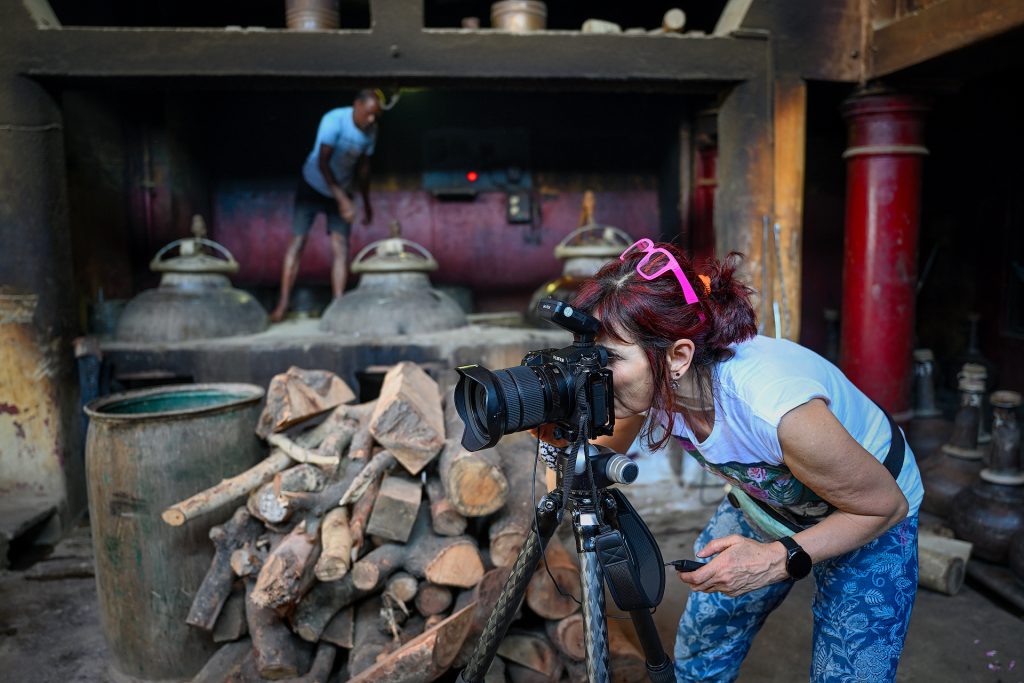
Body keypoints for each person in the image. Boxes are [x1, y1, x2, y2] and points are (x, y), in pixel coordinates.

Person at [545, 239, 923, 683]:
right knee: (705, 632)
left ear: (678, 356)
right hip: (768, 502)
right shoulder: (654, 381)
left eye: (606, 359)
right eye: (588, 357)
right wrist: (556, 418)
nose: (594, 372)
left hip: (868, 509)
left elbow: (883, 506)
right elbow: (604, 450)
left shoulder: (774, 408)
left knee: (851, 671)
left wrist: (774, 559)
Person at [271, 90, 382, 322]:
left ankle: (338, 307)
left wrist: (366, 202)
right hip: (313, 183)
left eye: (375, 116)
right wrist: (341, 198)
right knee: (298, 242)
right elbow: (323, 162)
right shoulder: (334, 121)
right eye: (368, 114)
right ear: (357, 106)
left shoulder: (371, 130)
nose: (371, 120)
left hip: (343, 188)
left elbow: (363, 169)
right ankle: (283, 303)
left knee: (340, 247)